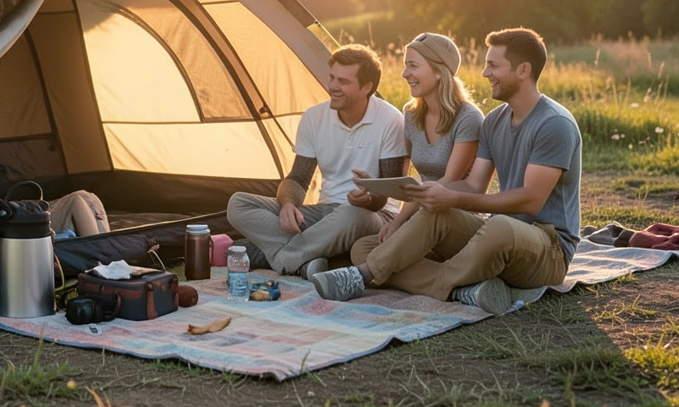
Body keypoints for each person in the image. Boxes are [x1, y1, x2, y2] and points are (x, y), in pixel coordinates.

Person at [310, 28, 582, 316]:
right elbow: (474, 186)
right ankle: (464, 290)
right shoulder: (493, 122)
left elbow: (531, 200)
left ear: (523, 70)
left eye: (493, 65)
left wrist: (451, 198)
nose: (484, 73)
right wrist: (431, 194)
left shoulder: (554, 124)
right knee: (367, 247)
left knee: (497, 227)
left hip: (548, 249)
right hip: (498, 235)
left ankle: (363, 277)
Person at [227, 44, 409, 278]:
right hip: (323, 213)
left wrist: (370, 195)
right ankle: (306, 261)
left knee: (349, 215)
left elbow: (388, 192)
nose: (332, 87)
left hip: (368, 215)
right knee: (238, 204)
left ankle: (282, 259)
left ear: (366, 87)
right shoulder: (314, 118)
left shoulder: (390, 120)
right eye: (332, 78)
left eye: (343, 82)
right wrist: (288, 205)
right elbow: (298, 178)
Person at [348, 33, 483, 268]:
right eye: (405, 65)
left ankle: (409, 266)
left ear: (439, 71)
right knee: (362, 249)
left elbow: (448, 182)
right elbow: (406, 182)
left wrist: (402, 223)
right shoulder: (411, 114)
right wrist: (383, 199)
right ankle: (446, 276)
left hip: (452, 216)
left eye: (413, 66)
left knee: (383, 255)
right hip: (421, 213)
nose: (404, 73)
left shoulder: (468, 118)